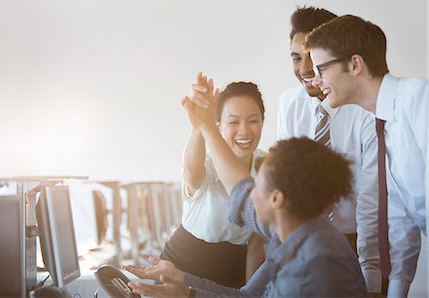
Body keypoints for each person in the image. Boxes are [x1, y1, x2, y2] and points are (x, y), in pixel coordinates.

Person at [123, 75, 368, 297]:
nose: (246, 193)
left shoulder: (308, 271)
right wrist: (184, 284)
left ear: (276, 199)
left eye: (256, 185)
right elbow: (247, 296)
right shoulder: (289, 231)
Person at [305, 15, 428, 297]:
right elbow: (402, 229)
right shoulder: (380, 124)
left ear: (355, 64)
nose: (315, 80)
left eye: (321, 69)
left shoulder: (419, 100)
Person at [277, 6, 381, 293]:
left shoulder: (365, 110)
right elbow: (284, 185)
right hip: (303, 244)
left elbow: (371, 199)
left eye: (312, 57)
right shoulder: (289, 104)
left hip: (355, 242)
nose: (305, 69)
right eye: (297, 57)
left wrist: (370, 275)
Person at [159, 73, 266, 288]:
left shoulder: (267, 166)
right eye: (233, 122)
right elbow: (191, 172)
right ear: (217, 125)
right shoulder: (207, 163)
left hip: (232, 272)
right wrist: (199, 123)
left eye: (253, 121)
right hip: (183, 265)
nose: (244, 131)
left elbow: (258, 238)